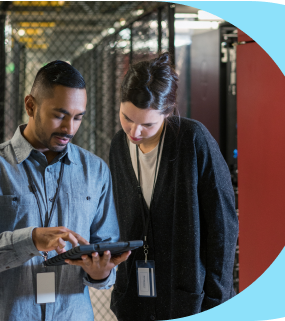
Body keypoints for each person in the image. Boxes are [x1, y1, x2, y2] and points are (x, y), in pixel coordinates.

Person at [0, 60, 130, 321]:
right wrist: (29, 240)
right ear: (30, 105)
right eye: (59, 115)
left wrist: (101, 273)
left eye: (78, 117)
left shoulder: (95, 171)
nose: (69, 128)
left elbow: (105, 252)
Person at [109, 52, 239, 320]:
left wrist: (216, 300)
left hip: (190, 298)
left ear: (167, 113)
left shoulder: (193, 140)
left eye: (147, 124)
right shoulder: (118, 147)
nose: (134, 131)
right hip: (135, 296)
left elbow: (223, 226)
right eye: (127, 118)